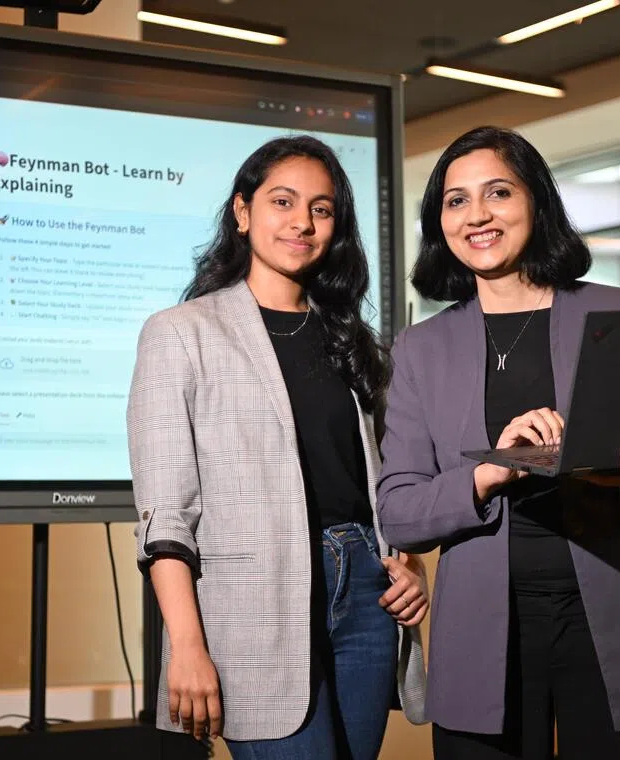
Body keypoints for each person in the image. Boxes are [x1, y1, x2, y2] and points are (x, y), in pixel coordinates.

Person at [376, 126, 620, 760]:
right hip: (483, 633)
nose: (476, 215)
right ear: (439, 221)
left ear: (535, 202)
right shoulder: (419, 349)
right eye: (455, 201)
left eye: (498, 192)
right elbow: (398, 508)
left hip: (618, 619)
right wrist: (491, 472)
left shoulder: (619, 312)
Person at [127, 134, 427, 760]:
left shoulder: (351, 337)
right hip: (250, 608)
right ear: (242, 212)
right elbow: (165, 512)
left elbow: (377, 478)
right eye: (283, 201)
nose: (302, 222)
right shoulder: (181, 333)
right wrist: (185, 646)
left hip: (366, 594)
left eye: (321, 209)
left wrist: (407, 563)